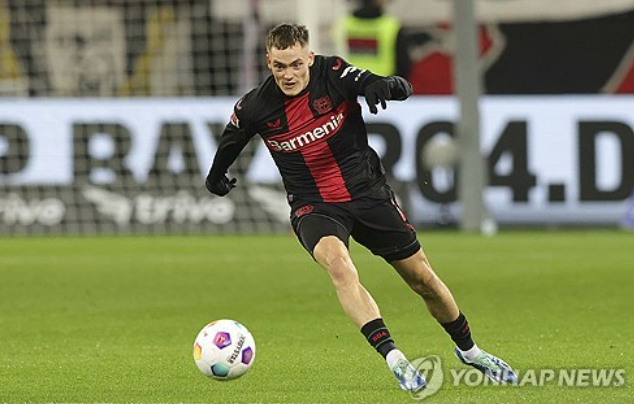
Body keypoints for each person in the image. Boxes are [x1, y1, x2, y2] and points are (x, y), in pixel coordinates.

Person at [205, 23, 517, 392]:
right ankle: (395, 359)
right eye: (279, 66)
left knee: (422, 279)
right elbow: (231, 142)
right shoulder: (255, 106)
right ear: (268, 62)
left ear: (309, 58)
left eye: (296, 65)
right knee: (339, 266)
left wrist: (391, 86)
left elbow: (373, 82)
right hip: (314, 205)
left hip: (368, 194)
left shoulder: (333, 73)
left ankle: (470, 351)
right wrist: (216, 176)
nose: (288, 75)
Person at [334, 0, 411, 79]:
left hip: (348, 84)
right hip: (382, 83)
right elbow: (403, 65)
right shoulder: (392, 26)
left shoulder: (341, 25)